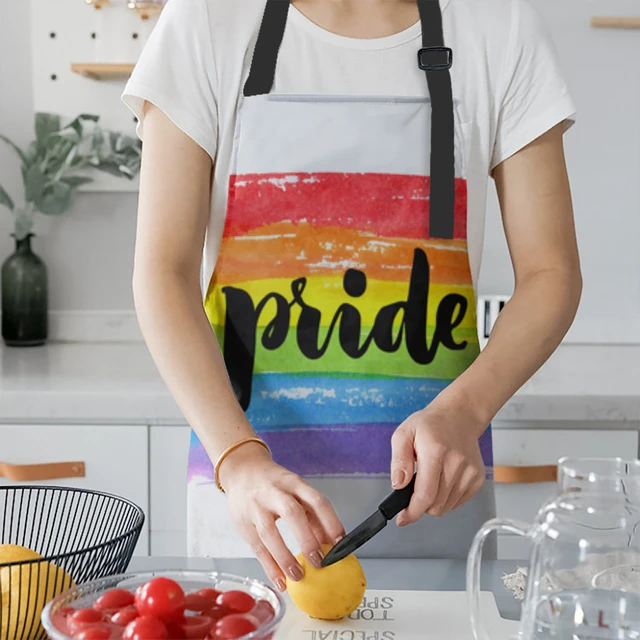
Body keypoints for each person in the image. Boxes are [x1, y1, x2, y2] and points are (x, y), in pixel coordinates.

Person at [123, 0, 581, 592]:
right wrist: (238, 459)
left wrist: (465, 410)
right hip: (251, 520)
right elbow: (162, 272)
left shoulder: (499, 24)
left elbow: (552, 273)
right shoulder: (206, 19)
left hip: (429, 504)